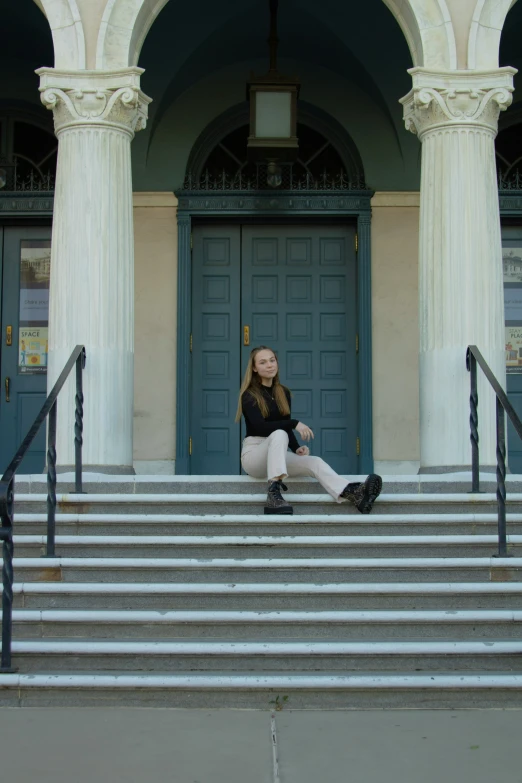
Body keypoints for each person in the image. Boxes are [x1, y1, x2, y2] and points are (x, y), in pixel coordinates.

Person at [236, 345, 382, 515]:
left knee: (314, 462)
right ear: (254, 368)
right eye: (263, 362)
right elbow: (261, 427)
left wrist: (296, 447)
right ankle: (273, 495)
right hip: (255, 456)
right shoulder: (249, 395)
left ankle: (353, 493)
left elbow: (283, 425)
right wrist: (294, 423)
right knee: (279, 433)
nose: (269, 365)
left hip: (277, 452)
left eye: (272, 360)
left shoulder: (282, 392)